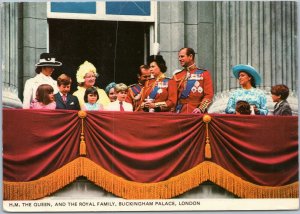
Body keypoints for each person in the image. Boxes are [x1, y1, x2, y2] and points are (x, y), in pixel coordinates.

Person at [172, 47, 214, 113]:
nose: (179, 59)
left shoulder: (204, 74)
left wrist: (200, 109)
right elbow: (172, 98)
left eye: (182, 56)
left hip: (197, 113)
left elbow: (209, 95)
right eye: (179, 57)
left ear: (190, 56)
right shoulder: (176, 76)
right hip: (180, 113)